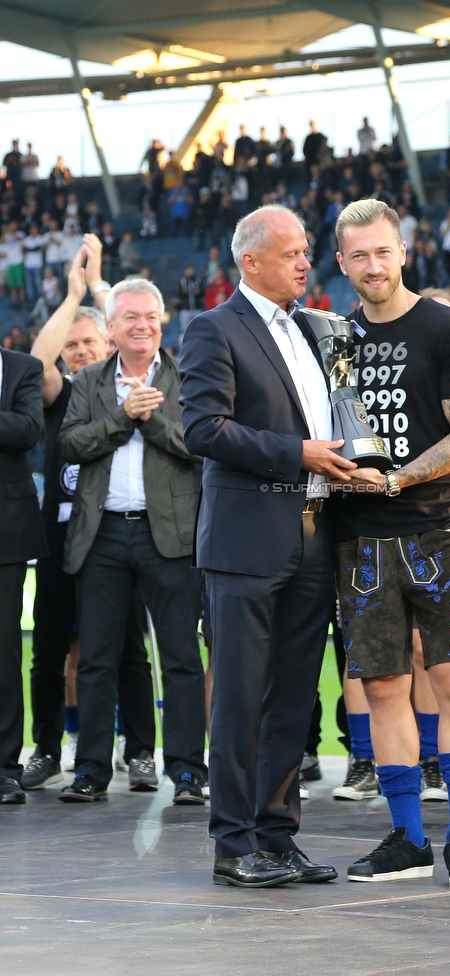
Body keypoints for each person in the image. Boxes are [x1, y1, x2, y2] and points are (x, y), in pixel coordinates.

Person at [180, 204, 347, 888]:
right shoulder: (210, 329)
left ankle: (278, 838)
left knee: (294, 700)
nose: (306, 262)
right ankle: (233, 843)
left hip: (312, 533)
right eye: (291, 253)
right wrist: (297, 453)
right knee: (241, 698)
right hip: (247, 539)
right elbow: (203, 430)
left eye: (307, 251)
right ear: (250, 261)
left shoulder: (314, 331)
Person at [333, 199, 450, 887]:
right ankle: (404, 839)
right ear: (342, 263)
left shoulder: (446, 328)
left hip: (441, 527)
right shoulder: (334, 339)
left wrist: (394, 480)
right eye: (358, 255)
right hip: (361, 539)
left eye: (382, 251)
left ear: (403, 251)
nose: (372, 265)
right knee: (383, 687)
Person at [57, 278, 207, 805]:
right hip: (101, 536)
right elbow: (70, 444)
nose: (141, 325)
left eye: (149, 315)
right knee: (97, 657)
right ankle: (92, 771)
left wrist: (151, 417)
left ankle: (188, 771)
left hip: (169, 535)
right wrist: (123, 417)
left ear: (161, 321)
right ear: (113, 327)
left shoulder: (190, 376)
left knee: (181, 657)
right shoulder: (89, 381)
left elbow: (201, 444)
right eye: (130, 317)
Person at [23, 240, 157, 793]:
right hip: (58, 537)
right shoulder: (60, 394)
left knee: (126, 647)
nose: (79, 352)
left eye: (89, 342)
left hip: (112, 533)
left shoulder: (125, 389)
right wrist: (74, 295)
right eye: (72, 345)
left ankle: (142, 750)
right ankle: (48, 747)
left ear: (107, 342)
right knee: (50, 647)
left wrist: (100, 289)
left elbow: (128, 322)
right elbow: (35, 363)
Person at [0, 340, 48, 804]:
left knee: (3, 652)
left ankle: (4, 767)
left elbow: (27, 429)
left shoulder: (23, 367)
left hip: (6, 532)